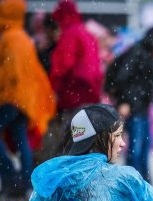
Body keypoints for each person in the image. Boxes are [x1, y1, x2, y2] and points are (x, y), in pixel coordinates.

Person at [0, 0, 56, 198]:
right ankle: (25, 182)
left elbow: (5, 73)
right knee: (20, 136)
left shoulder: (9, 39)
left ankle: (11, 179)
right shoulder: (22, 38)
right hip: (24, 99)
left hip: (10, 98)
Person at [105, 24, 153, 181]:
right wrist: (125, 102)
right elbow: (123, 78)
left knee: (143, 148)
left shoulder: (144, 52)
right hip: (134, 107)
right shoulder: (138, 52)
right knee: (136, 149)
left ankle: (142, 182)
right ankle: (134, 182)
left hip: (140, 106)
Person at [42, 0, 102, 160]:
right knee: (83, 144)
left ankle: (58, 180)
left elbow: (63, 65)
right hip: (90, 95)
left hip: (74, 95)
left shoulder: (70, 34)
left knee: (66, 145)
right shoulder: (86, 33)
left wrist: (53, 87)